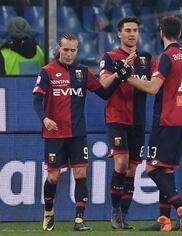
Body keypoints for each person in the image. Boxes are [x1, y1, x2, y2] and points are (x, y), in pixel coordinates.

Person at [33, 33, 133, 232]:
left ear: (77, 50)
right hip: (54, 134)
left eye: (73, 50)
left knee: (80, 174)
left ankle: (79, 220)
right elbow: (36, 99)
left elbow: (104, 93)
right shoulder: (47, 71)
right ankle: (49, 212)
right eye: (65, 49)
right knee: (53, 178)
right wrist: (44, 118)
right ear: (58, 49)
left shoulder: (82, 72)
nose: (69, 54)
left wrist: (120, 75)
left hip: (78, 133)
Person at [124, 15, 182, 232]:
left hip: (166, 119)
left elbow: (153, 88)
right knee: (167, 171)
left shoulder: (167, 56)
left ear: (161, 33)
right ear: (179, 33)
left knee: (152, 168)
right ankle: (164, 220)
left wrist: (126, 76)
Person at [98, 16, 155, 230]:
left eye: (135, 30)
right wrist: (121, 71)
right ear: (119, 34)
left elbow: (153, 83)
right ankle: (114, 212)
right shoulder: (110, 57)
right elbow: (103, 86)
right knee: (120, 164)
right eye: (128, 30)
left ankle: (123, 215)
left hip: (138, 120)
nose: (132, 34)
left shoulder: (146, 58)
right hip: (117, 118)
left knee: (132, 170)